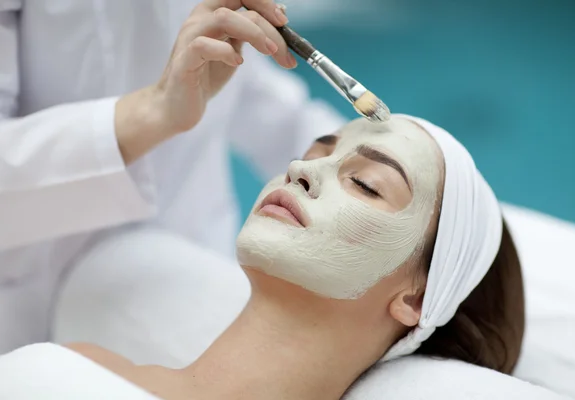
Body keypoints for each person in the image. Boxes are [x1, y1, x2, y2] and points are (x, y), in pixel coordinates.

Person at [65, 115, 525, 400]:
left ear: (418, 297)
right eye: (313, 152)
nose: (302, 169)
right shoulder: (73, 370)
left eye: (366, 183)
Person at [0, 0, 345, 352]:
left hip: (198, 277)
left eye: (368, 186)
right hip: (30, 305)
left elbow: (261, 99)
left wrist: (372, 148)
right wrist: (155, 110)